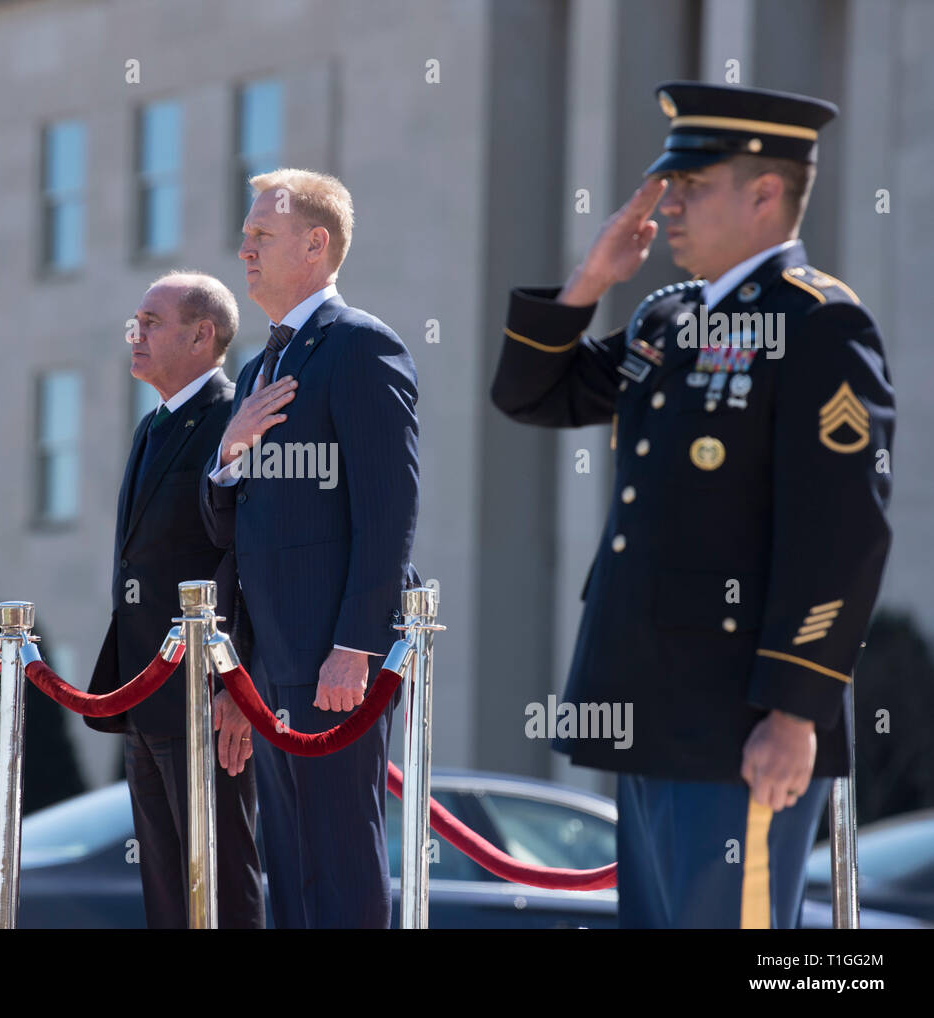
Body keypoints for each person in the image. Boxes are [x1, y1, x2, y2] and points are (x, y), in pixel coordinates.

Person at [491, 81, 895, 928]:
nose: (668, 207)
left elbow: (844, 531)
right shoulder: (667, 318)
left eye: (693, 188)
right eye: (667, 187)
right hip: (646, 700)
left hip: (738, 722)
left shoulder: (820, 324)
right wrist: (592, 276)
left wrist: (796, 709)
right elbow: (533, 397)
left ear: (765, 193)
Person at [201, 168, 420, 929]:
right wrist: (228, 450)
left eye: (261, 236)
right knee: (290, 873)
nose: (245, 249)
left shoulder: (360, 347)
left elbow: (390, 511)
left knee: (339, 865)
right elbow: (235, 532)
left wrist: (355, 646)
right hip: (270, 668)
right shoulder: (264, 366)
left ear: (315, 244)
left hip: (334, 664)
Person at [85, 271, 264, 928]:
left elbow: (245, 557)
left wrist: (236, 684)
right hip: (144, 688)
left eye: (152, 321)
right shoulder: (152, 425)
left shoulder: (231, 417)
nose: (136, 333)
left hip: (204, 697)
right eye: (136, 320)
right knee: (166, 886)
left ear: (202, 334)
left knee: (218, 875)